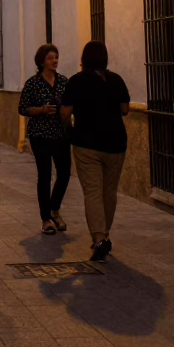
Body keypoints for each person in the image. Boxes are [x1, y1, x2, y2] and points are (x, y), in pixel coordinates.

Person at [62, 41, 130, 262]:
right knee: (109, 192)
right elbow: (125, 109)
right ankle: (104, 235)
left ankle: (99, 238)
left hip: (86, 143)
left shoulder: (76, 81)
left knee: (92, 191)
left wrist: (70, 130)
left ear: (85, 59)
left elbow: (65, 112)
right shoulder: (116, 79)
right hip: (115, 143)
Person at [19, 44, 71, 235]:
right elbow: (22, 108)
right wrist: (40, 110)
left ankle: (54, 208)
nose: (55, 60)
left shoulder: (64, 82)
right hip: (40, 134)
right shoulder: (33, 83)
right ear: (41, 61)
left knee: (64, 173)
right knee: (45, 175)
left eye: (56, 57)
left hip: (61, 133)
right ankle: (46, 219)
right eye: (50, 57)